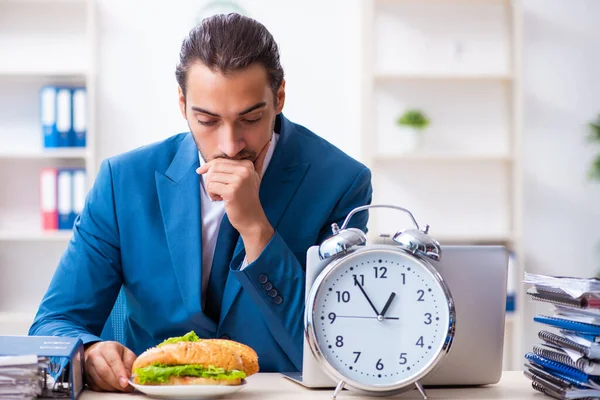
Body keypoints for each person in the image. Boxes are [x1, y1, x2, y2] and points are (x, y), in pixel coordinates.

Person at [29, 13, 372, 392]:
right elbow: (52, 325)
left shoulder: (342, 183)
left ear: (279, 98)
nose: (229, 145)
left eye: (251, 118)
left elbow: (338, 349)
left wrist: (256, 230)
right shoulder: (123, 181)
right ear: (182, 104)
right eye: (207, 120)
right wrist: (89, 352)